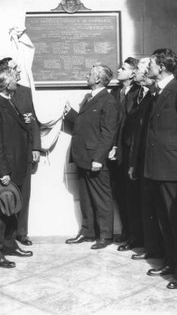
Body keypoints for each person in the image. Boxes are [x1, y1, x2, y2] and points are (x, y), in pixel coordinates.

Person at [142, 49, 177, 289]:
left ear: (161, 67)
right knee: (164, 221)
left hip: (173, 169)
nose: (147, 68)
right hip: (158, 168)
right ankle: (171, 263)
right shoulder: (160, 92)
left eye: (151, 64)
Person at [0, 57, 41, 246]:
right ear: (6, 75)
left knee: (22, 195)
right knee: (5, 201)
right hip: (6, 161)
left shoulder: (23, 92)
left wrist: (35, 146)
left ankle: (18, 235)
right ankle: (2, 244)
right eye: (15, 70)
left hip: (21, 155)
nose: (19, 73)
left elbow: (31, 119)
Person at [64, 64, 119, 249]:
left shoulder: (108, 101)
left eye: (90, 74)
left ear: (98, 79)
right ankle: (88, 232)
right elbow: (85, 123)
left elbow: (108, 133)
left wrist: (98, 158)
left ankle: (105, 235)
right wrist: (70, 113)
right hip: (82, 157)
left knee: (102, 198)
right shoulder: (89, 98)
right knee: (86, 198)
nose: (87, 76)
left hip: (95, 159)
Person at [128, 57, 163, 260]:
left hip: (153, 160)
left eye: (144, 69)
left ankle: (156, 249)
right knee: (146, 206)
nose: (138, 73)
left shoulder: (154, 96)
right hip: (141, 159)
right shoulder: (142, 94)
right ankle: (150, 247)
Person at [109, 57, 143, 250]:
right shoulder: (115, 93)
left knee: (132, 196)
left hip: (128, 151)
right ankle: (127, 232)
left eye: (123, 68)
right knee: (121, 194)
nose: (119, 70)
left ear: (132, 73)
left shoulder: (138, 93)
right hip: (117, 151)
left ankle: (135, 236)